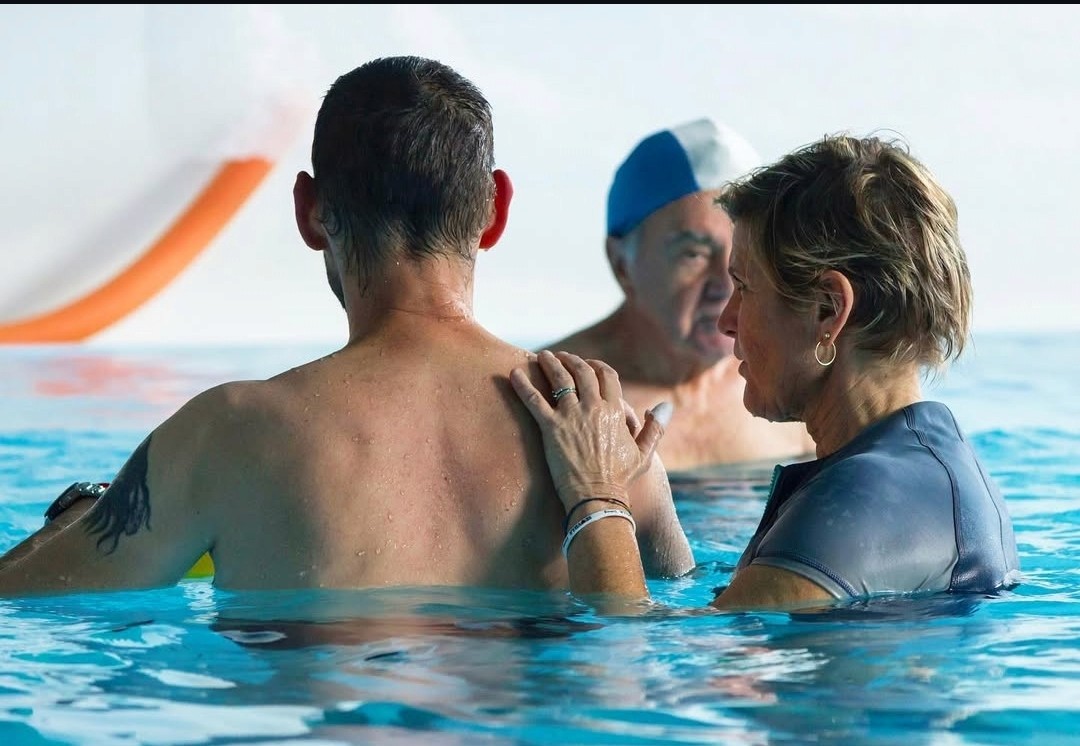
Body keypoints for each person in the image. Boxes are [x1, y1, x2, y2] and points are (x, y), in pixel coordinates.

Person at [0, 55, 693, 597]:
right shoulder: (610, 440)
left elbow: (21, 598)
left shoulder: (228, 435)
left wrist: (87, 513)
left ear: (309, 211)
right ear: (496, 210)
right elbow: (681, 625)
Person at [511, 133, 1021, 609]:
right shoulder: (908, 467)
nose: (727, 319)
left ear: (828, 310)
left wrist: (595, 495)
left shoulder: (862, 499)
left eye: (744, 287)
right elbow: (720, 622)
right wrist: (648, 494)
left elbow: (647, 655)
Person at [541, 117, 814, 473]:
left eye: (743, 255)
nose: (727, 284)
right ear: (622, 264)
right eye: (694, 254)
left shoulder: (794, 390)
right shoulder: (552, 396)